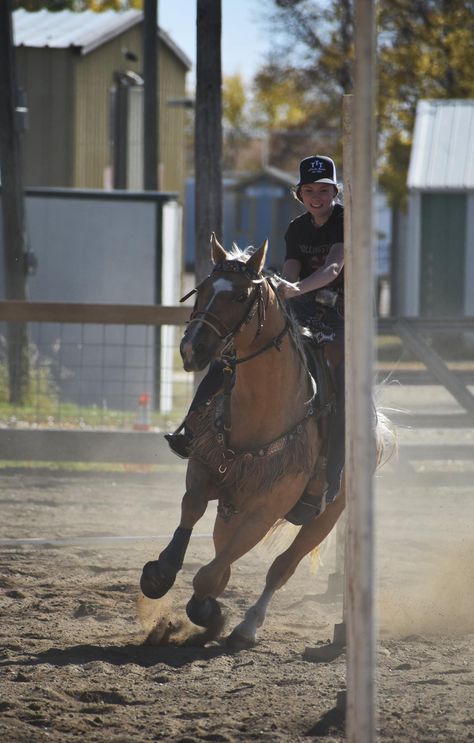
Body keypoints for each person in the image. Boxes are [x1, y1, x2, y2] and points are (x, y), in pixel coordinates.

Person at [279, 154, 345, 508]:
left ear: (334, 191)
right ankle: (196, 431)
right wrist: (281, 286)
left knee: (346, 387)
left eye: (323, 189)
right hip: (303, 306)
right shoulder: (296, 229)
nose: (316, 196)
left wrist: (294, 288)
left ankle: (334, 471)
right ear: (300, 194)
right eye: (309, 190)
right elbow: (290, 267)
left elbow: (335, 266)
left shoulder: (345, 221)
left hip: (341, 310)